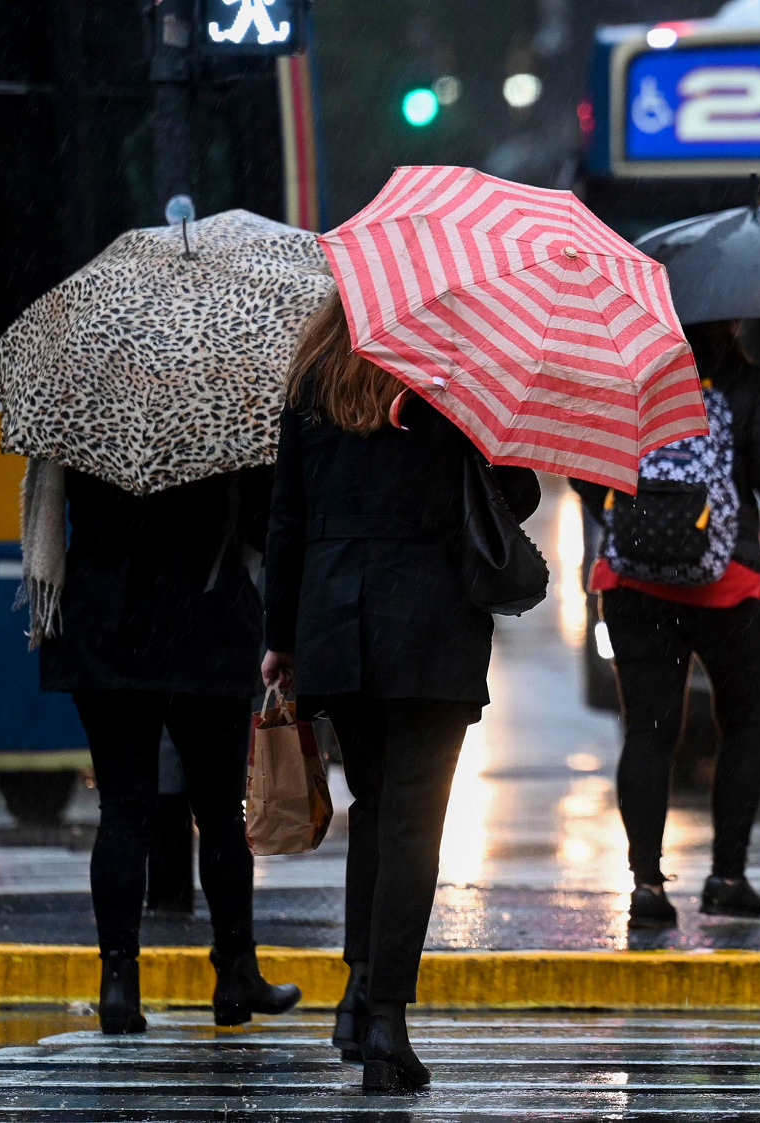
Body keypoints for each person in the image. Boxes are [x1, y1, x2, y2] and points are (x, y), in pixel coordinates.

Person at [263, 293, 540, 1092]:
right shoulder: (452, 380)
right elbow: (515, 496)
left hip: (335, 626)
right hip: (428, 630)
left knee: (376, 809)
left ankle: (355, 994)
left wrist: (280, 638)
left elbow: (285, 520)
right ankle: (386, 1020)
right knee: (414, 823)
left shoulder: (313, 381)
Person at [29, 458, 301, 1036]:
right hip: (204, 629)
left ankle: (120, 984)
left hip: (107, 631)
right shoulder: (224, 413)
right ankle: (235, 974)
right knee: (222, 812)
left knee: (124, 813)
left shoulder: (90, 413)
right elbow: (262, 527)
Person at [571, 321, 760, 929]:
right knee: (744, 726)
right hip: (729, 585)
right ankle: (727, 878)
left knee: (648, 734)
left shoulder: (624, 375)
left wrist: (643, 524)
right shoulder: (749, 384)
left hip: (633, 586)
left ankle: (647, 887)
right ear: (730, 321)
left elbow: (582, 469)